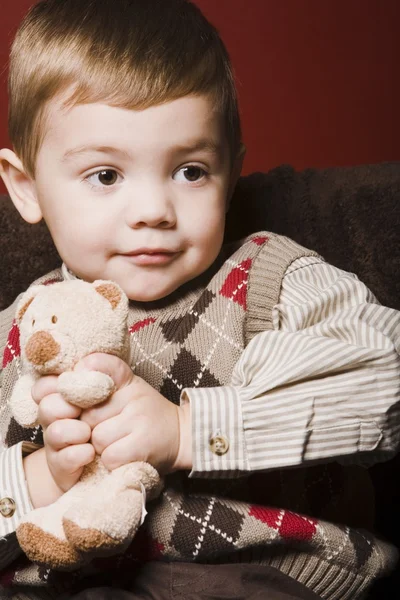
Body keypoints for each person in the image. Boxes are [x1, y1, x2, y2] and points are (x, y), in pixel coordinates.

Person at [0, 1, 399, 599]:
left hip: (261, 574)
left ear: (231, 172)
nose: (154, 211)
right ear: (26, 188)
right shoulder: (22, 328)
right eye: (106, 175)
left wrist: (187, 431)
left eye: (189, 171)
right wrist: (42, 477)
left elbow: (383, 370)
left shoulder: (265, 276)